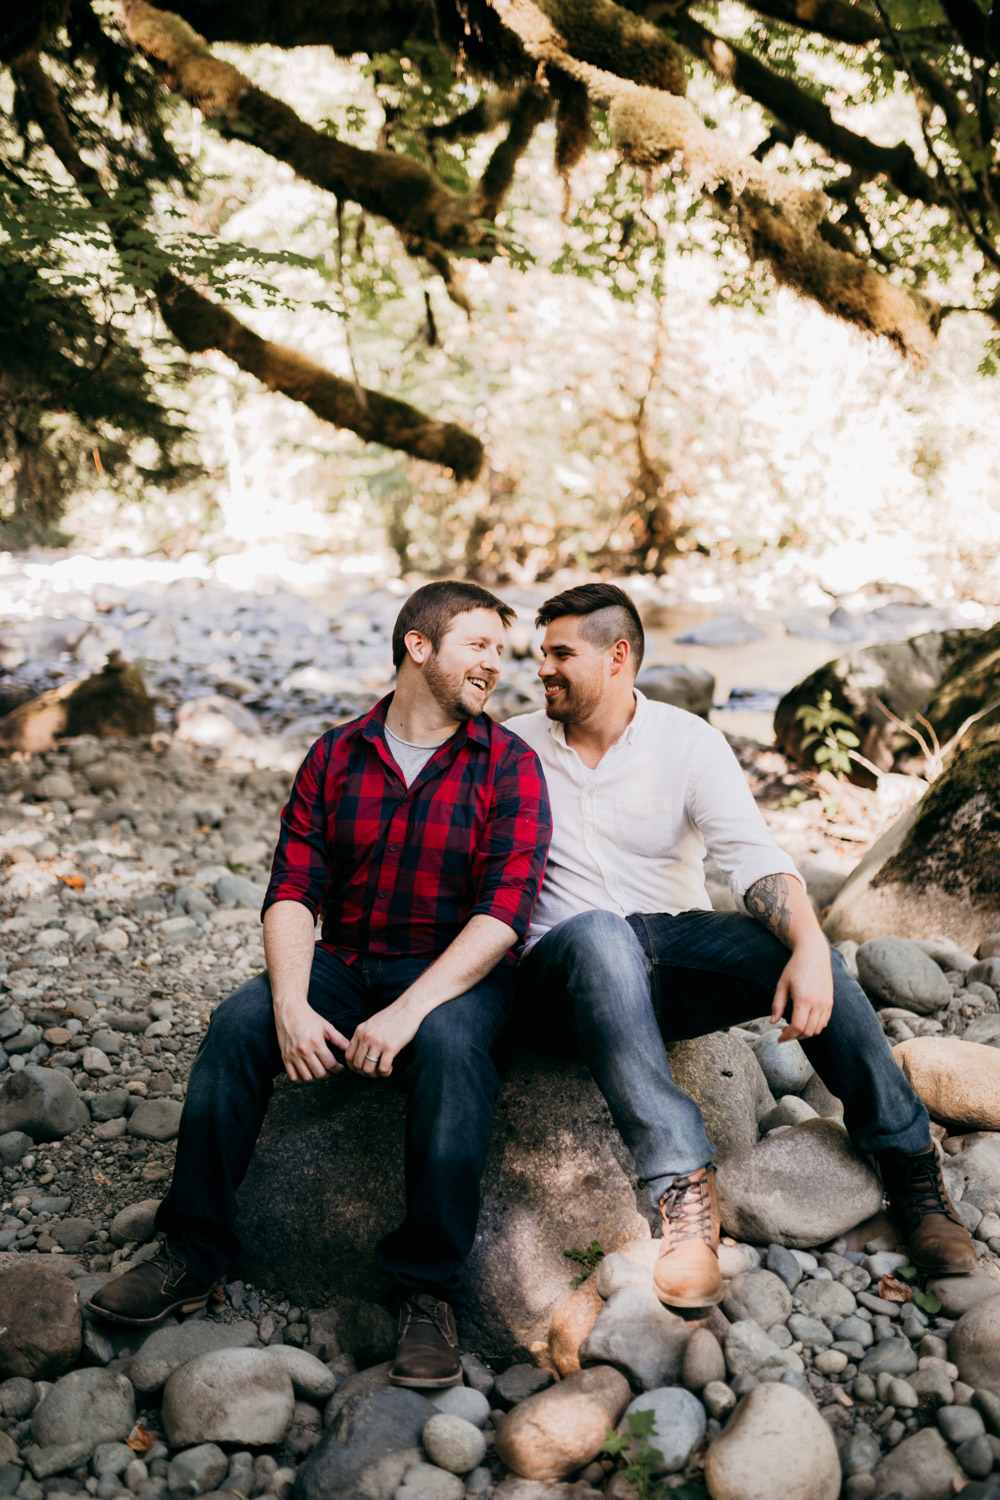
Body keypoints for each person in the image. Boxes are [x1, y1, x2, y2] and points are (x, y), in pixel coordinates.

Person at [88, 581, 551, 1388]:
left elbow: (503, 917)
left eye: (498, 652)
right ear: (419, 646)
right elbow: (293, 891)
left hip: (453, 975)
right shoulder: (337, 754)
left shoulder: (509, 764)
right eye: (478, 646)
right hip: (347, 962)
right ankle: (192, 1254)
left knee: (447, 1050)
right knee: (239, 1024)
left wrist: (407, 1013)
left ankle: (427, 1294)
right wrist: (292, 1005)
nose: (494, 666)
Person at [508, 583, 976, 1310]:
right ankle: (684, 1201)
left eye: (561, 653)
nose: (543, 668)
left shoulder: (687, 743)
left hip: (671, 956)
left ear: (618, 657)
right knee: (600, 932)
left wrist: (812, 946)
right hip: (563, 973)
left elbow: (751, 858)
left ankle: (911, 1170)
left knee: (791, 945)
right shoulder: (510, 748)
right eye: (542, 654)